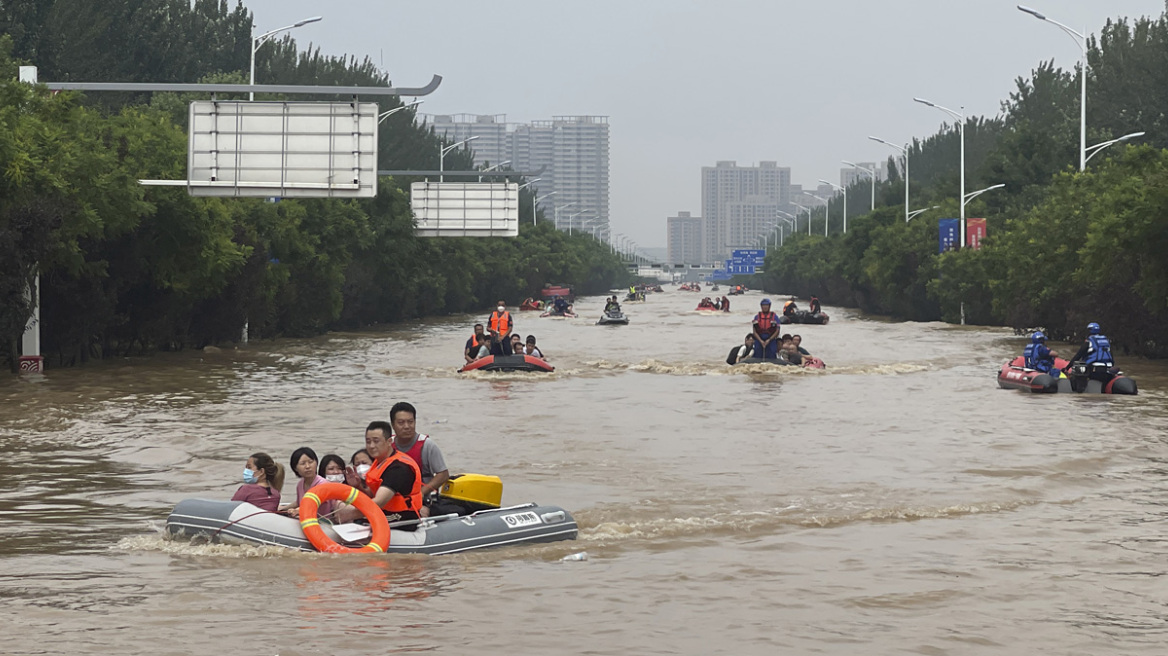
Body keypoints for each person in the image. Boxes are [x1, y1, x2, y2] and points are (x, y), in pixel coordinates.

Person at [338, 421, 422, 528]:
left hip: (402, 519)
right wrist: (358, 486)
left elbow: (379, 502)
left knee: (356, 518)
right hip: (384, 513)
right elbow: (373, 494)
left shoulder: (398, 468)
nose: (371, 446)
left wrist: (350, 514)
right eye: (368, 442)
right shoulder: (379, 463)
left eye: (376, 441)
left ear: (389, 441)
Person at [390, 401, 450, 518]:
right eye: (401, 423)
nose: (406, 426)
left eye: (410, 422)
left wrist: (421, 493)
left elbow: (443, 474)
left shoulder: (427, 445)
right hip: (393, 501)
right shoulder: (387, 445)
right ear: (393, 425)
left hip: (423, 501)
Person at [280, 447, 336, 518]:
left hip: (324, 522)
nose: (307, 466)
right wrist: (282, 509)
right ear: (295, 468)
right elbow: (299, 502)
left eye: (310, 462)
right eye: (303, 463)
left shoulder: (323, 484)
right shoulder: (300, 484)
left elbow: (313, 504)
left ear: (316, 463)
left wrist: (297, 510)